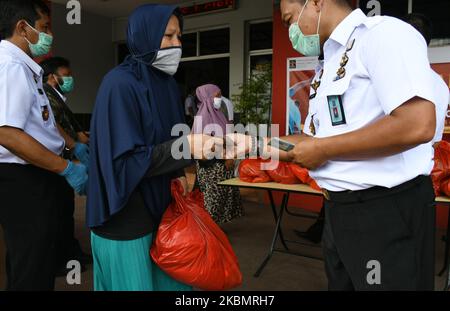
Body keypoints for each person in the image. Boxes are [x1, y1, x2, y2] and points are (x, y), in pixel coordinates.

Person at [229, 0, 438, 290]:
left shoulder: (382, 35)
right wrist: (253, 144)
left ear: (315, 2)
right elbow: (311, 141)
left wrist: (323, 150)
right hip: (339, 211)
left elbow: (417, 123)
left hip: (384, 213)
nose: (291, 31)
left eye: (289, 20)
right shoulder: (329, 62)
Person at [86, 4, 222, 291]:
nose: (177, 45)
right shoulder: (119, 84)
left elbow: (167, 142)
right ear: (144, 36)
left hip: (163, 208)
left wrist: (180, 173)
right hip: (125, 215)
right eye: (168, 36)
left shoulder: (167, 85)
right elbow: (123, 163)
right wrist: (185, 148)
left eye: (179, 37)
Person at [0, 0, 88, 290]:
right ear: (22, 28)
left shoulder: (25, 68)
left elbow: (42, 121)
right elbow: (7, 133)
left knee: (37, 258)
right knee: (33, 265)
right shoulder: (10, 65)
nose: (49, 35)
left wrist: (72, 146)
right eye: (44, 28)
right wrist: (66, 168)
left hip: (37, 174)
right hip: (23, 179)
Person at [40, 56, 93, 275]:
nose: (70, 79)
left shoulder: (56, 96)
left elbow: (69, 123)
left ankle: (70, 251)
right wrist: (75, 146)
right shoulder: (45, 95)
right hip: (53, 162)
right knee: (56, 212)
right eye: (66, 75)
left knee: (65, 208)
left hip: (64, 158)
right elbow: (52, 125)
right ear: (52, 77)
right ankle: (59, 257)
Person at [193, 84, 243, 224]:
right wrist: (226, 157)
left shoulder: (218, 113)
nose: (220, 98)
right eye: (217, 95)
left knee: (222, 196)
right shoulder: (203, 116)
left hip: (223, 163)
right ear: (208, 97)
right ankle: (209, 230)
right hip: (213, 166)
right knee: (213, 198)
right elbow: (206, 144)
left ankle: (215, 229)